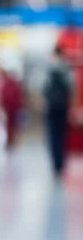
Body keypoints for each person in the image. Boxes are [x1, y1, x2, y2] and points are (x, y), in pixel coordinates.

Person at [43, 45, 74, 177]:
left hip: (51, 107)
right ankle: (61, 163)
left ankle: (55, 164)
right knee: (62, 135)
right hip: (63, 107)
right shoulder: (66, 69)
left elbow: (44, 88)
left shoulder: (49, 69)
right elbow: (71, 88)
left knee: (53, 135)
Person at [0, 65, 24, 150]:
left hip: (11, 108)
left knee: (11, 125)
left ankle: (11, 140)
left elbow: (12, 96)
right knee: (9, 125)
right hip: (9, 108)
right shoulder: (5, 82)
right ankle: (10, 140)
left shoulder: (9, 82)